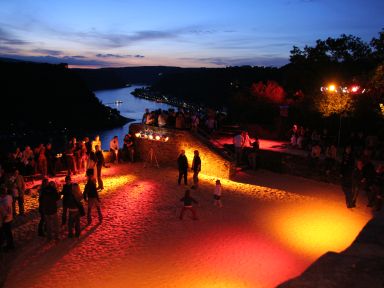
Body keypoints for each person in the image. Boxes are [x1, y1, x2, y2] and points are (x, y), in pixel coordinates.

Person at [0, 184, 15, 250]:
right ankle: (9, 244)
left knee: (7, 232)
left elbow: (6, 211)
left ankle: (10, 245)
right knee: (7, 232)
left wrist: (3, 219)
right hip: (8, 218)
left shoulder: (5, 200)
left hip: (6, 219)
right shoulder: (9, 197)